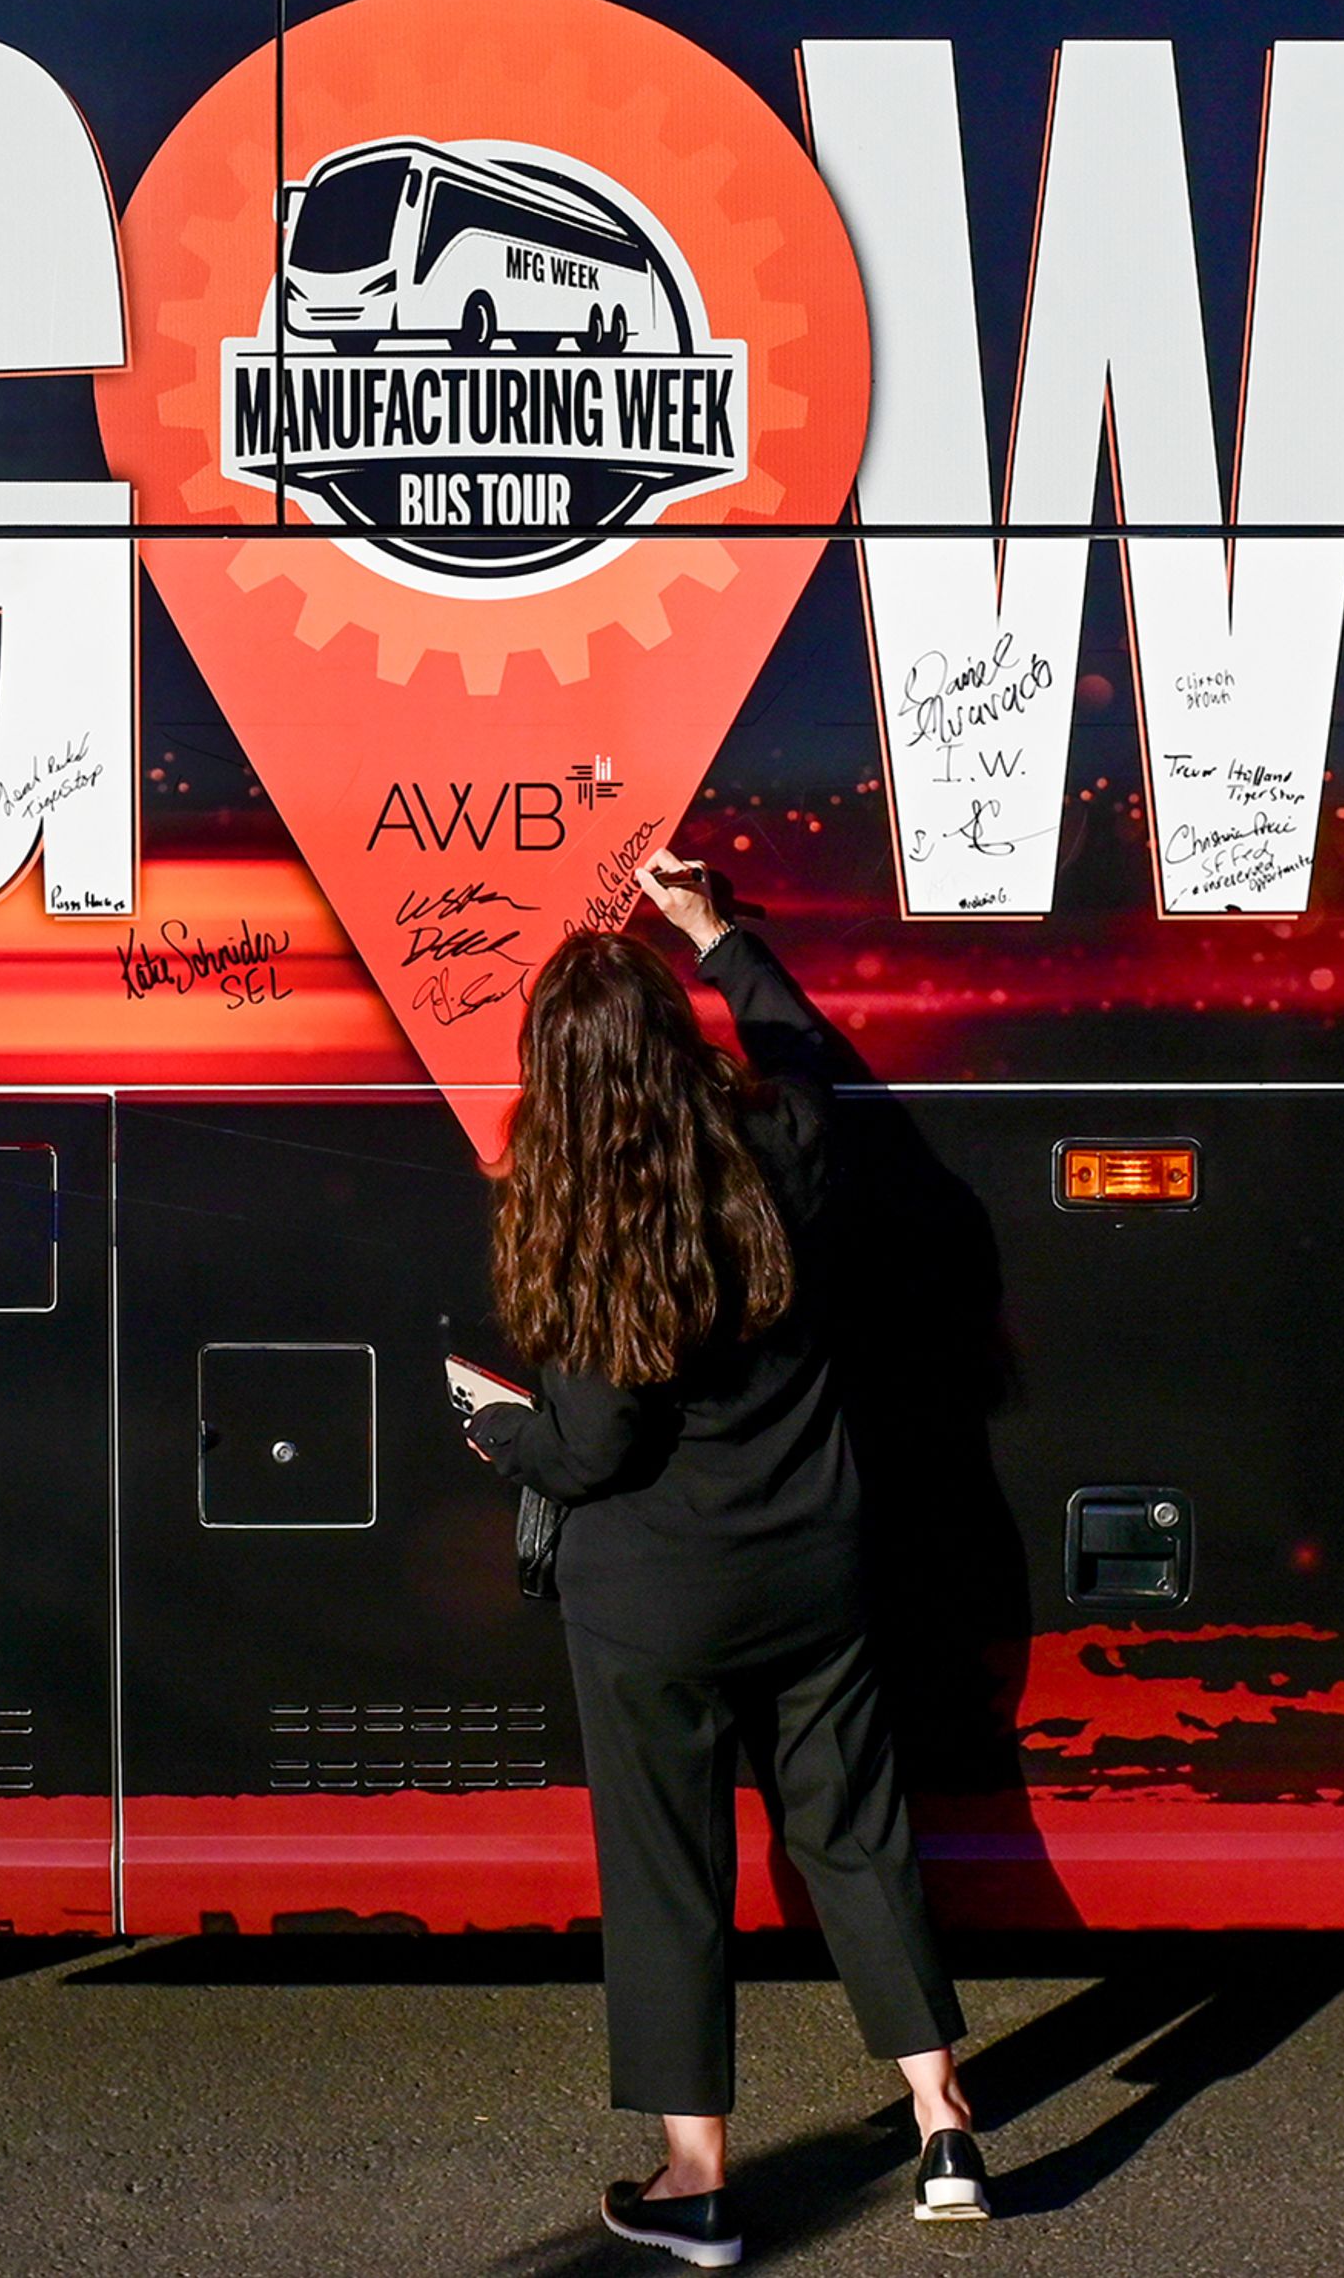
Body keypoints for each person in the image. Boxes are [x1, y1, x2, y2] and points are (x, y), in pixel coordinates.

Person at [460, 849, 985, 2269]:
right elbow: (810, 1050)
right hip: (816, 1568)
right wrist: (716, 930)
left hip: (654, 1605)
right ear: (678, 1036)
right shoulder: (790, 1149)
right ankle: (943, 2121)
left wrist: (496, 1428)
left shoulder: (574, 1221)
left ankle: (697, 2186)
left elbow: (591, 1452)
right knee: (860, 1833)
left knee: (670, 1871)